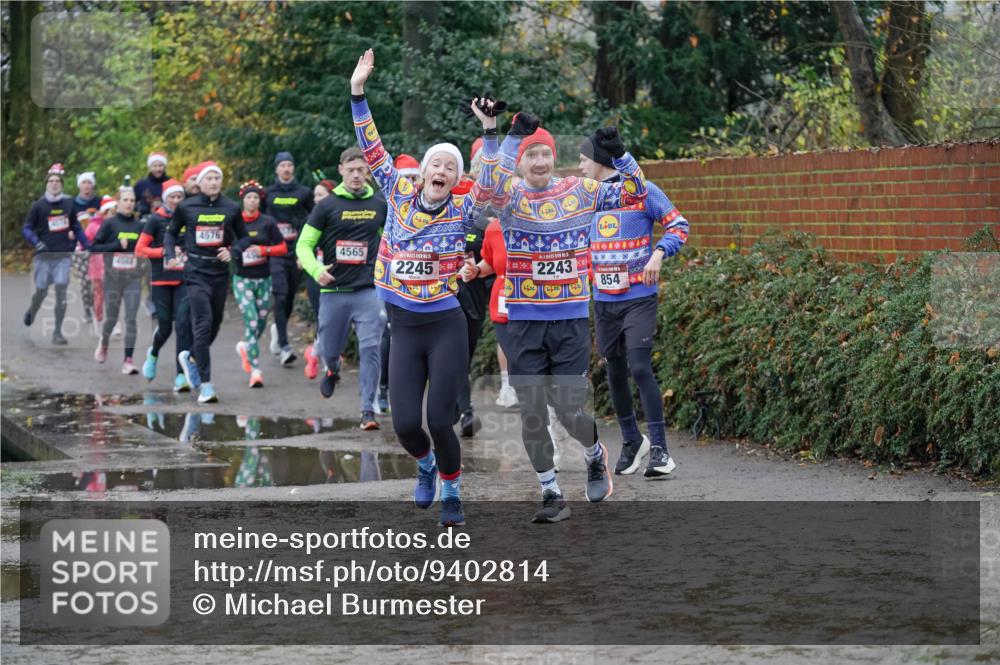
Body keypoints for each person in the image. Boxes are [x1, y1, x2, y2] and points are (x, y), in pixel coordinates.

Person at [350, 48, 498, 526]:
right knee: (406, 425)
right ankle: (427, 466)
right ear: (424, 173)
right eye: (436, 165)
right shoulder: (396, 192)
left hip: (445, 325)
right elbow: (371, 147)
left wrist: (490, 133)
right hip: (405, 325)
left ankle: (452, 489)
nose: (441, 171)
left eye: (450, 168)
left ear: (456, 179)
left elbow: (490, 180)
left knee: (440, 420)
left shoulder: (462, 210)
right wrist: (358, 92)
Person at [489, 115, 648, 523]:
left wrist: (621, 156)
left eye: (545, 154)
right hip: (523, 320)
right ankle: (550, 492)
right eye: (531, 155)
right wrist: (510, 138)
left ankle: (595, 455)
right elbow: (487, 187)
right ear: (521, 163)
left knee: (568, 410)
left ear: (554, 159)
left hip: (570, 319)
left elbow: (636, 194)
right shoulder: (509, 198)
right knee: (531, 412)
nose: (539, 161)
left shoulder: (580, 189)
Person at [580, 131, 688, 478]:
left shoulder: (642, 191)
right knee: (612, 369)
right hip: (603, 299)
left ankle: (659, 449)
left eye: (584, 158)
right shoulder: (586, 197)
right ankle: (631, 440)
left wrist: (659, 253)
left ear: (599, 160)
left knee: (639, 367)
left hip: (638, 297)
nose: (580, 165)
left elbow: (678, 226)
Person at [297, 146, 388, 430]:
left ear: (368, 173)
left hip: (368, 291)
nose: (357, 175)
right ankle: (332, 369)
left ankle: (367, 410)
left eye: (362, 170)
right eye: (351, 170)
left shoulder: (379, 204)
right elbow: (304, 245)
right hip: (334, 292)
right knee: (329, 348)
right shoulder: (327, 206)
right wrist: (315, 270)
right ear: (341, 171)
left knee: (371, 347)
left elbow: (391, 244)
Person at [164, 161, 251, 403]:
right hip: (195, 272)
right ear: (200, 183)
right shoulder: (187, 207)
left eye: (217, 178)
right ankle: (206, 385)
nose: (213, 182)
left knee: (215, 324)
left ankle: (191, 356)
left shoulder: (231, 208)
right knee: (203, 323)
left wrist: (233, 252)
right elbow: (171, 233)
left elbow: (244, 238)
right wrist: (169, 255)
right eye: (209, 178)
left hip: (219, 273)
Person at [135, 178, 194, 392]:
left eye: (180, 197)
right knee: (166, 327)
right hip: (160, 279)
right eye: (173, 197)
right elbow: (140, 249)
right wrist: (163, 252)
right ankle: (153, 353)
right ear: (165, 199)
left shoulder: (189, 218)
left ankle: (180, 376)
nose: (177, 200)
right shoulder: (155, 220)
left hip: (183, 279)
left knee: (183, 325)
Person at [22, 163, 90, 345]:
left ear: (62, 184)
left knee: (61, 289)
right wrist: (37, 242)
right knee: (42, 291)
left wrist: (87, 245)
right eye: (51, 181)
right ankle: (32, 311)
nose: (54, 184)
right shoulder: (38, 206)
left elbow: (75, 226)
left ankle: (57, 333)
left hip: (63, 256)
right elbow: (26, 228)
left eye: (57, 181)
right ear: (46, 184)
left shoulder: (69, 203)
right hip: (44, 257)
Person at [453, 138, 493, 437]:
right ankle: (465, 411)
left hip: (474, 294)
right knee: (451, 354)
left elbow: (492, 256)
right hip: (443, 296)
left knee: (463, 355)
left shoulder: (484, 218)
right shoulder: (433, 211)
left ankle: (457, 402)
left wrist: (476, 265)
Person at [232, 180, 287, 388]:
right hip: (242, 279)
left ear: (259, 200)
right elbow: (225, 244)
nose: (252, 201)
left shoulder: (268, 222)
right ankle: (255, 369)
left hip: (263, 279)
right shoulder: (234, 222)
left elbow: (282, 247)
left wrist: (264, 251)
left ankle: (246, 347)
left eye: (255, 197)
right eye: (248, 197)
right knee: (252, 319)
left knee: (262, 320)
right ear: (243, 200)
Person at [264, 150, 314, 366]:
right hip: (275, 252)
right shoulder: (268, 193)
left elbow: (315, 220)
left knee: (290, 298)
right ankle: (284, 346)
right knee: (281, 296)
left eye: (289, 165)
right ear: (276, 169)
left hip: (296, 253)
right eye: (282, 165)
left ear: (293, 168)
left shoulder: (304, 192)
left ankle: (279, 327)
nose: (286, 168)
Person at [91, 187, 144, 374]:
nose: (129, 203)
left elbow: (146, 248)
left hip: (133, 279)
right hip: (113, 280)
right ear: (118, 203)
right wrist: (115, 245)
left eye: (132, 200)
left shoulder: (140, 226)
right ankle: (104, 342)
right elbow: (94, 247)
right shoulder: (110, 224)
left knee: (131, 319)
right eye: (125, 200)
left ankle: (128, 360)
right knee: (112, 319)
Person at [71, 172, 102, 325]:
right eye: (84, 183)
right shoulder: (72, 204)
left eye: (89, 183)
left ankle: (98, 308)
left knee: (97, 280)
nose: (87, 186)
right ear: (79, 185)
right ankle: (87, 309)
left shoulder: (99, 202)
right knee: (85, 280)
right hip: (79, 248)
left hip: (97, 247)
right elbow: (67, 221)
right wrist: (70, 232)